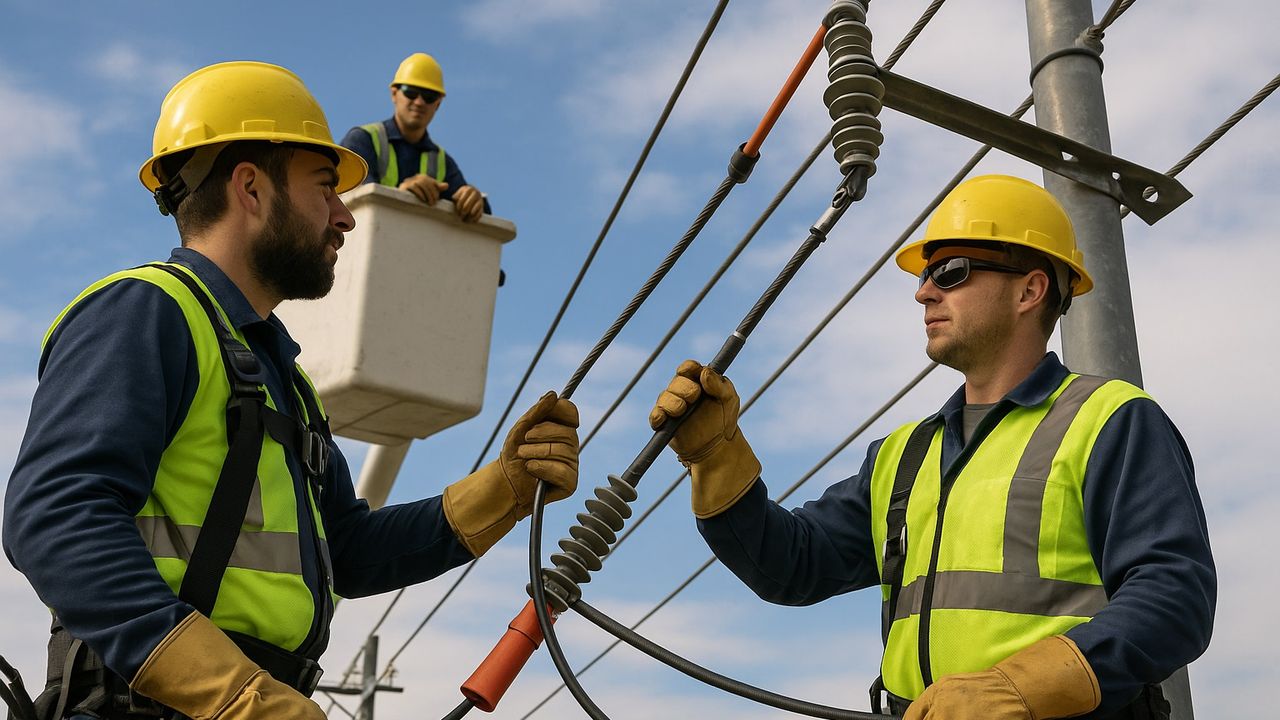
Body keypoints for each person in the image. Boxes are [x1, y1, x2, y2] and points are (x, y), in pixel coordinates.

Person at [2, 61, 579, 720]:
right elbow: (54, 517)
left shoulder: (282, 377)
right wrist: (235, 694)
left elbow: (347, 552)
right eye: (325, 189)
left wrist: (503, 488)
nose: (345, 217)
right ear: (251, 188)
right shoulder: (146, 312)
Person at [649, 175, 1215, 719]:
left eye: (950, 272)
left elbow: (1173, 598)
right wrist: (715, 459)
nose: (923, 291)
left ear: (1030, 289)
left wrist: (1023, 689)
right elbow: (790, 566)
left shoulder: (1107, 421)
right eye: (926, 276)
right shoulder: (904, 456)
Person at [339, 53, 488, 223]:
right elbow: (354, 197)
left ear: (438, 104)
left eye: (429, 96)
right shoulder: (362, 140)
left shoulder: (442, 162)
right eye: (410, 92)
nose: (419, 102)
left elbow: (481, 216)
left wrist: (475, 200)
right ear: (394, 94)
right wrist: (400, 194)